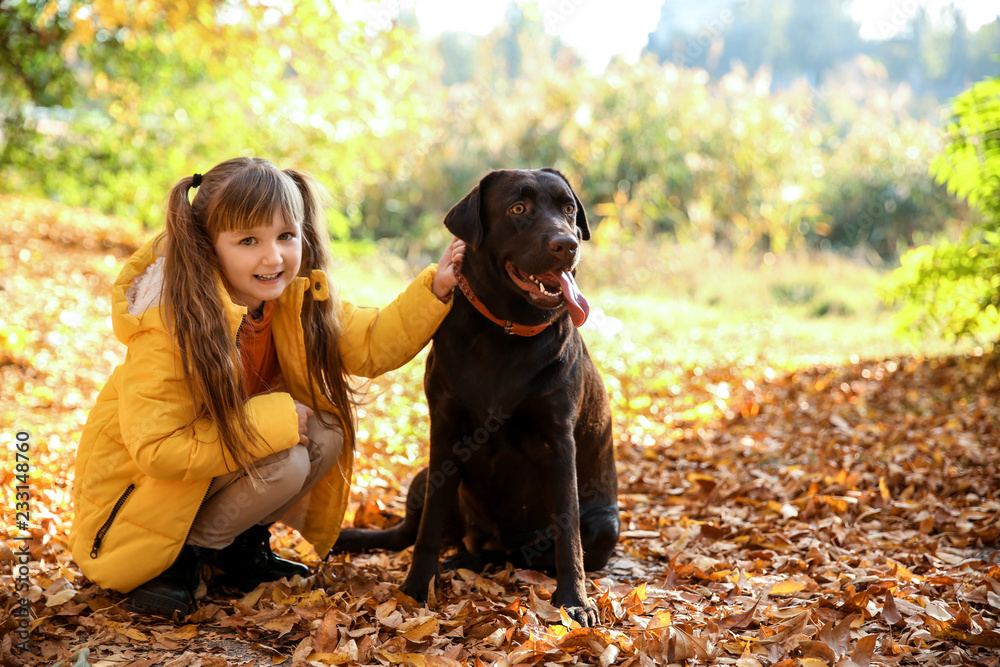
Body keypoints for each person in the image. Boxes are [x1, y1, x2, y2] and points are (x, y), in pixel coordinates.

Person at [69, 157, 464, 618]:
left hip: (208, 467)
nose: (273, 257)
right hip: (137, 509)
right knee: (288, 458)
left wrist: (435, 288)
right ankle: (181, 559)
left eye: (286, 236)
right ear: (206, 245)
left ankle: (236, 550)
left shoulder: (288, 300)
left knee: (326, 433)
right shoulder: (169, 324)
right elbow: (158, 449)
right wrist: (273, 420)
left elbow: (370, 342)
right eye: (248, 241)